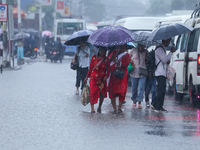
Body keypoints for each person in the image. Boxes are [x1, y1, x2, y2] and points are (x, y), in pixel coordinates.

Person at [83, 47, 110, 113]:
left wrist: (106, 77)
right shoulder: (94, 57)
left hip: (102, 80)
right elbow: (90, 68)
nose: (103, 53)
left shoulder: (106, 59)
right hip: (93, 79)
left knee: (102, 94)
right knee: (92, 93)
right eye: (102, 51)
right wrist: (87, 77)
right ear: (99, 51)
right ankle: (92, 109)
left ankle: (99, 107)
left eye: (104, 52)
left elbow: (109, 70)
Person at [153, 38, 175, 112]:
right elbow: (164, 60)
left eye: (169, 41)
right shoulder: (160, 49)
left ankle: (156, 104)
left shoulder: (162, 49)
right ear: (163, 40)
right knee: (161, 90)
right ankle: (158, 106)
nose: (168, 43)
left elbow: (164, 61)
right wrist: (171, 52)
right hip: (160, 73)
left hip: (161, 72)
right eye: (167, 41)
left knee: (161, 90)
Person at [108, 44, 130, 114]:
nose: (122, 49)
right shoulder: (114, 52)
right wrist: (111, 58)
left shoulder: (127, 55)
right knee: (112, 91)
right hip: (113, 75)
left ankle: (119, 107)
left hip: (122, 76)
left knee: (122, 91)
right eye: (121, 47)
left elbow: (125, 64)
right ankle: (114, 108)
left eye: (124, 48)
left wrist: (116, 61)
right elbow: (108, 60)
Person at [129, 44, 148, 109]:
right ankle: (134, 102)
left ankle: (139, 103)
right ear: (138, 45)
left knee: (141, 88)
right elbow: (128, 57)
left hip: (142, 73)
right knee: (134, 88)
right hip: (134, 72)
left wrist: (147, 58)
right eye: (140, 45)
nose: (141, 46)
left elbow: (148, 62)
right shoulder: (133, 50)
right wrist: (131, 62)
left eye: (142, 45)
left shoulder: (146, 52)